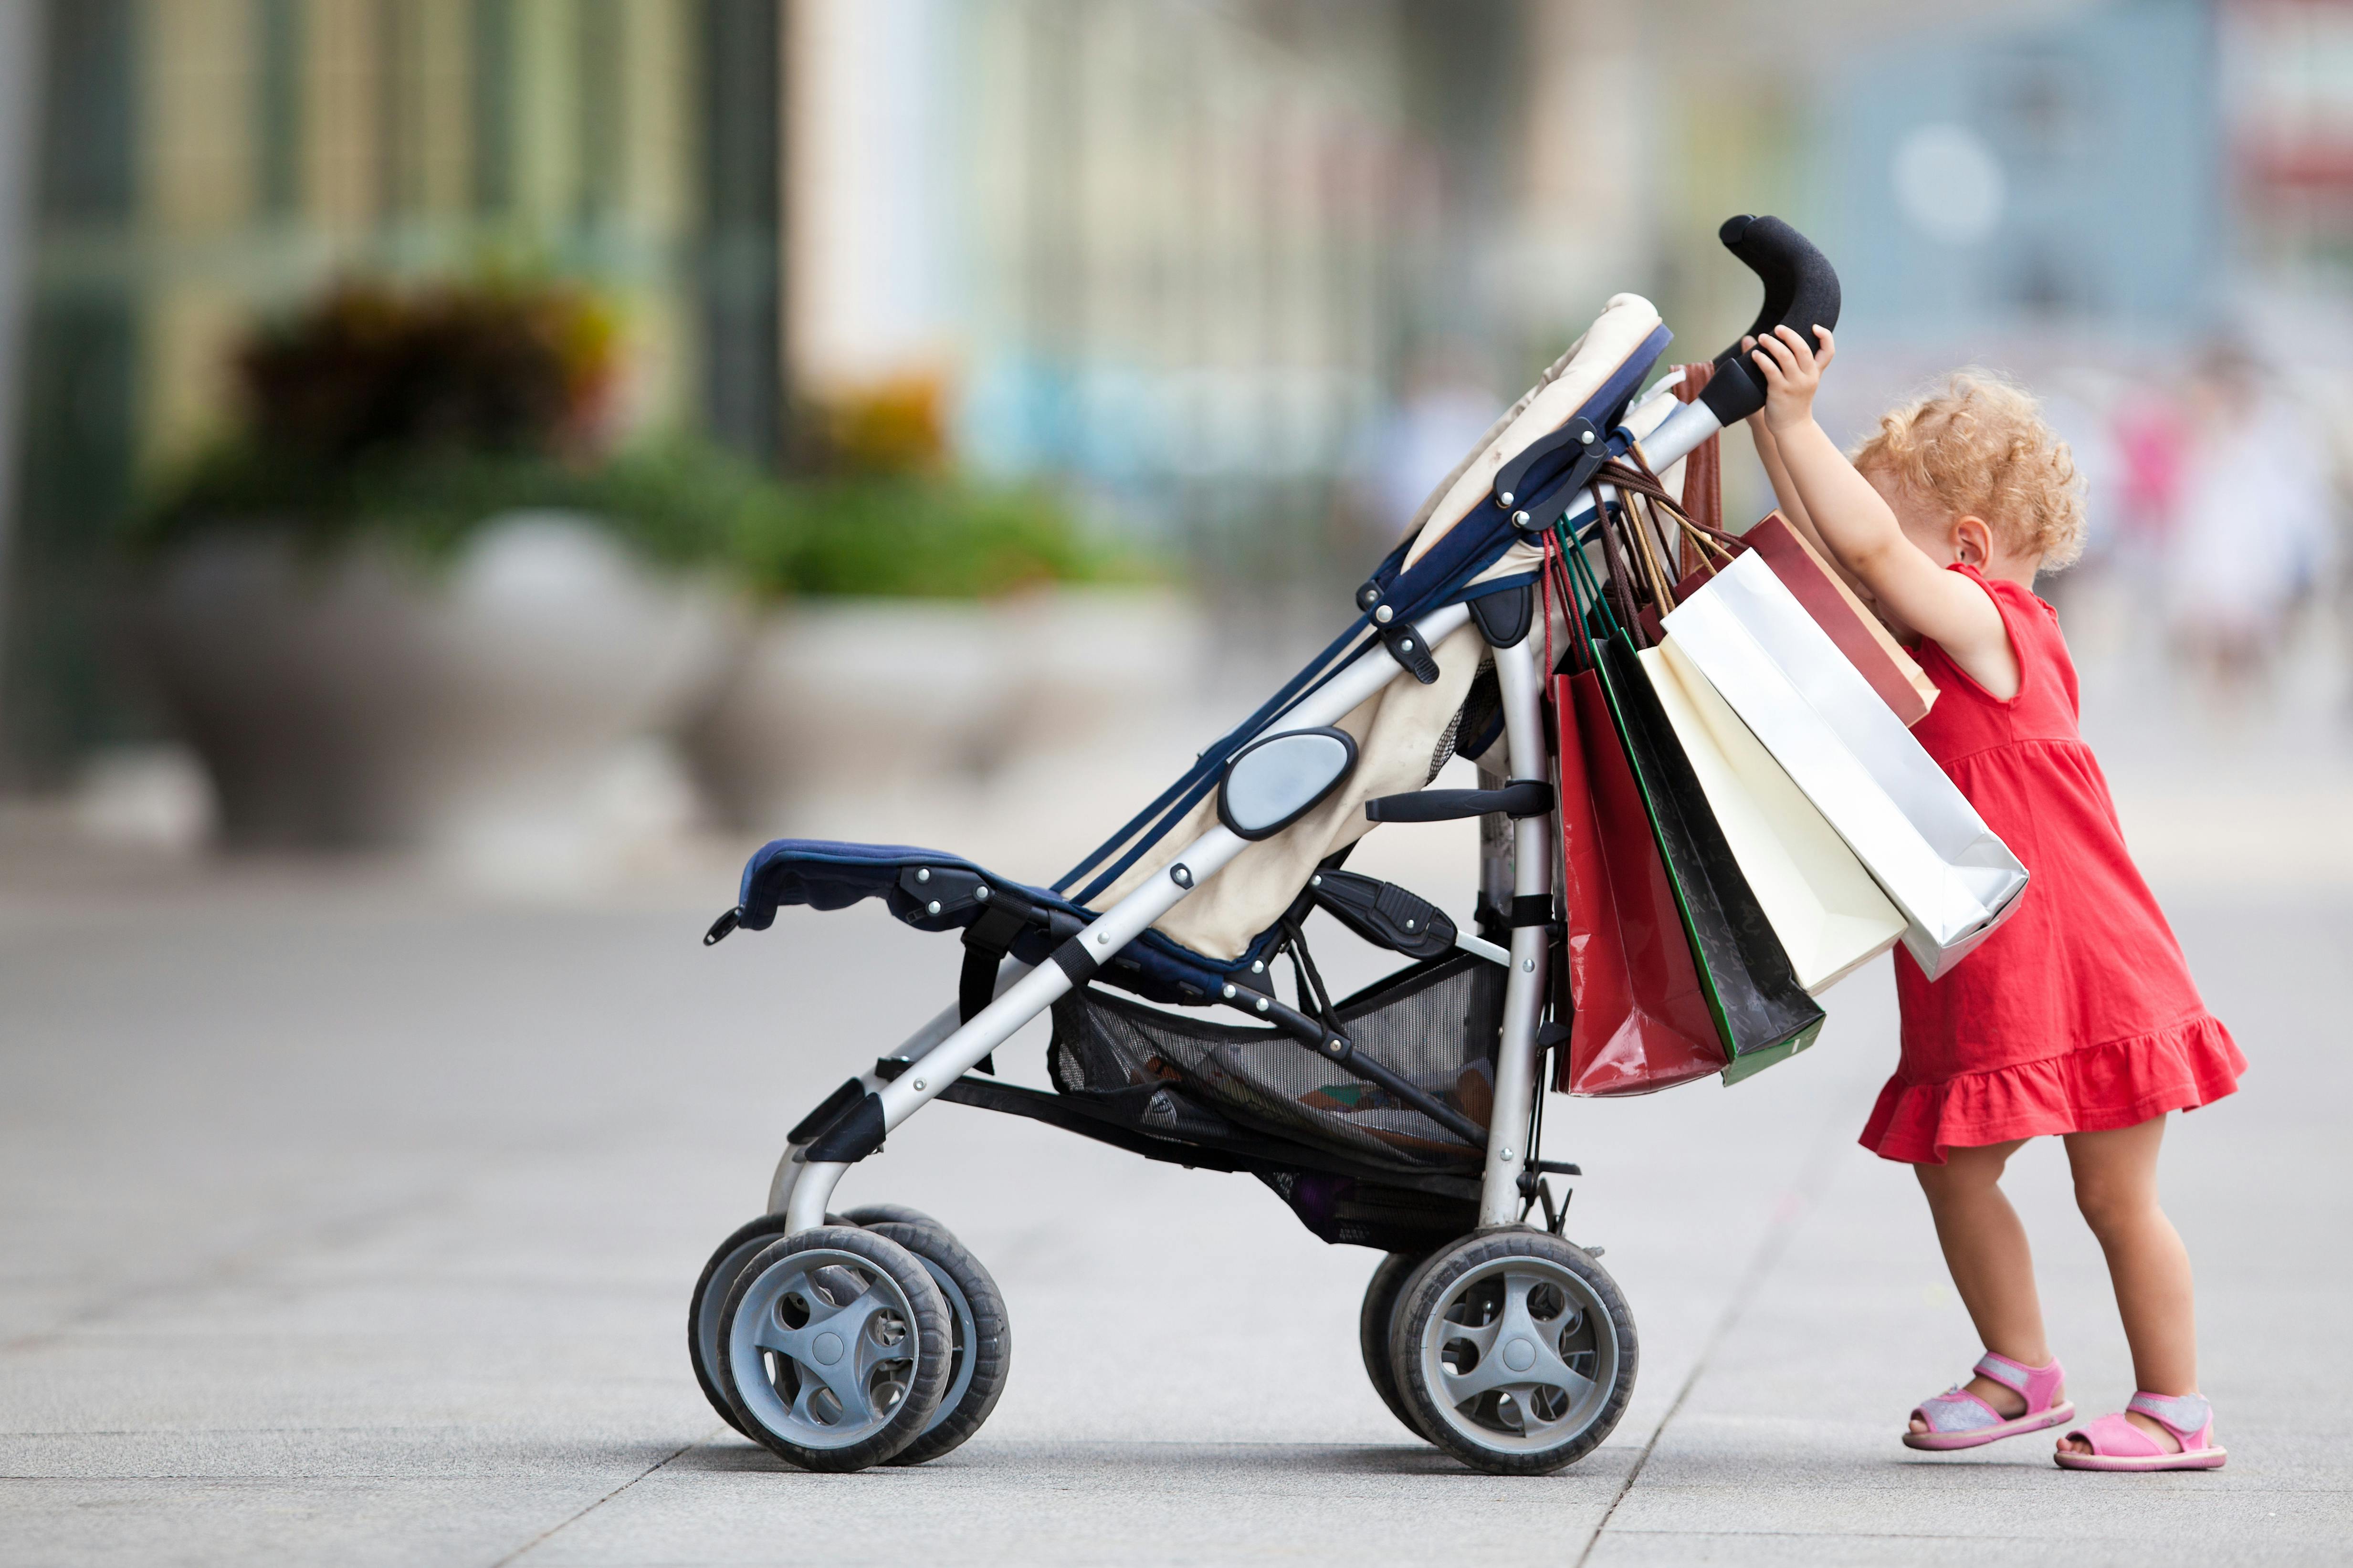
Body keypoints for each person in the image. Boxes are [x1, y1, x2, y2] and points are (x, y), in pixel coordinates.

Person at [1743, 326, 2247, 1472]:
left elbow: (1865, 546)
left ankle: (2176, 1405)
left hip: (2085, 961)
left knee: (2113, 1194)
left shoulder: (1992, 627)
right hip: (1991, 958)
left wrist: (1792, 419)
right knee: (1952, 1164)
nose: (1870, 580)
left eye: (1899, 557)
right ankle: (2018, 1367)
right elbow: (1838, 546)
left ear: (1965, 547)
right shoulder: (1933, 639)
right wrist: (1774, 439)